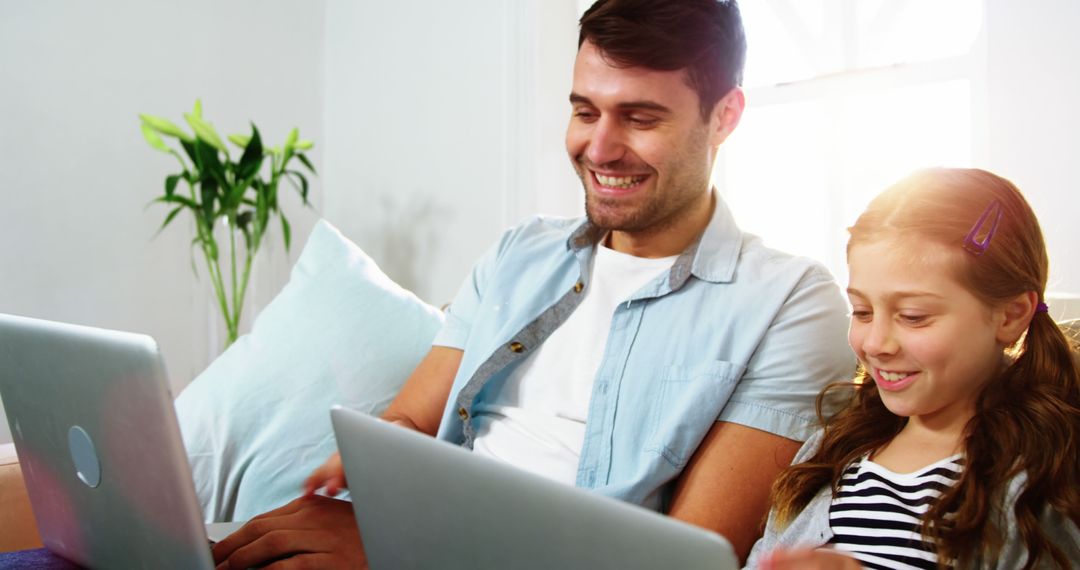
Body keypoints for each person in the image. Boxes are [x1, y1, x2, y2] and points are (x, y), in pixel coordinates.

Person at [213, 1, 854, 567]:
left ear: (724, 117)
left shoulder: (789, 302)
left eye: (640, 117)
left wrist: (403, 552)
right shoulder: (519, 253)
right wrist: (371, 485)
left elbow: (685, 558)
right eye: (584, 110)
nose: (599, 148)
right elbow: (411, 417)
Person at [746, 168, 1080, 569]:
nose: (875, 344)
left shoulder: (1053, 470)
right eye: (863, 311)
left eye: (914, 316)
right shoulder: (830, 453)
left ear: (1011, 314)